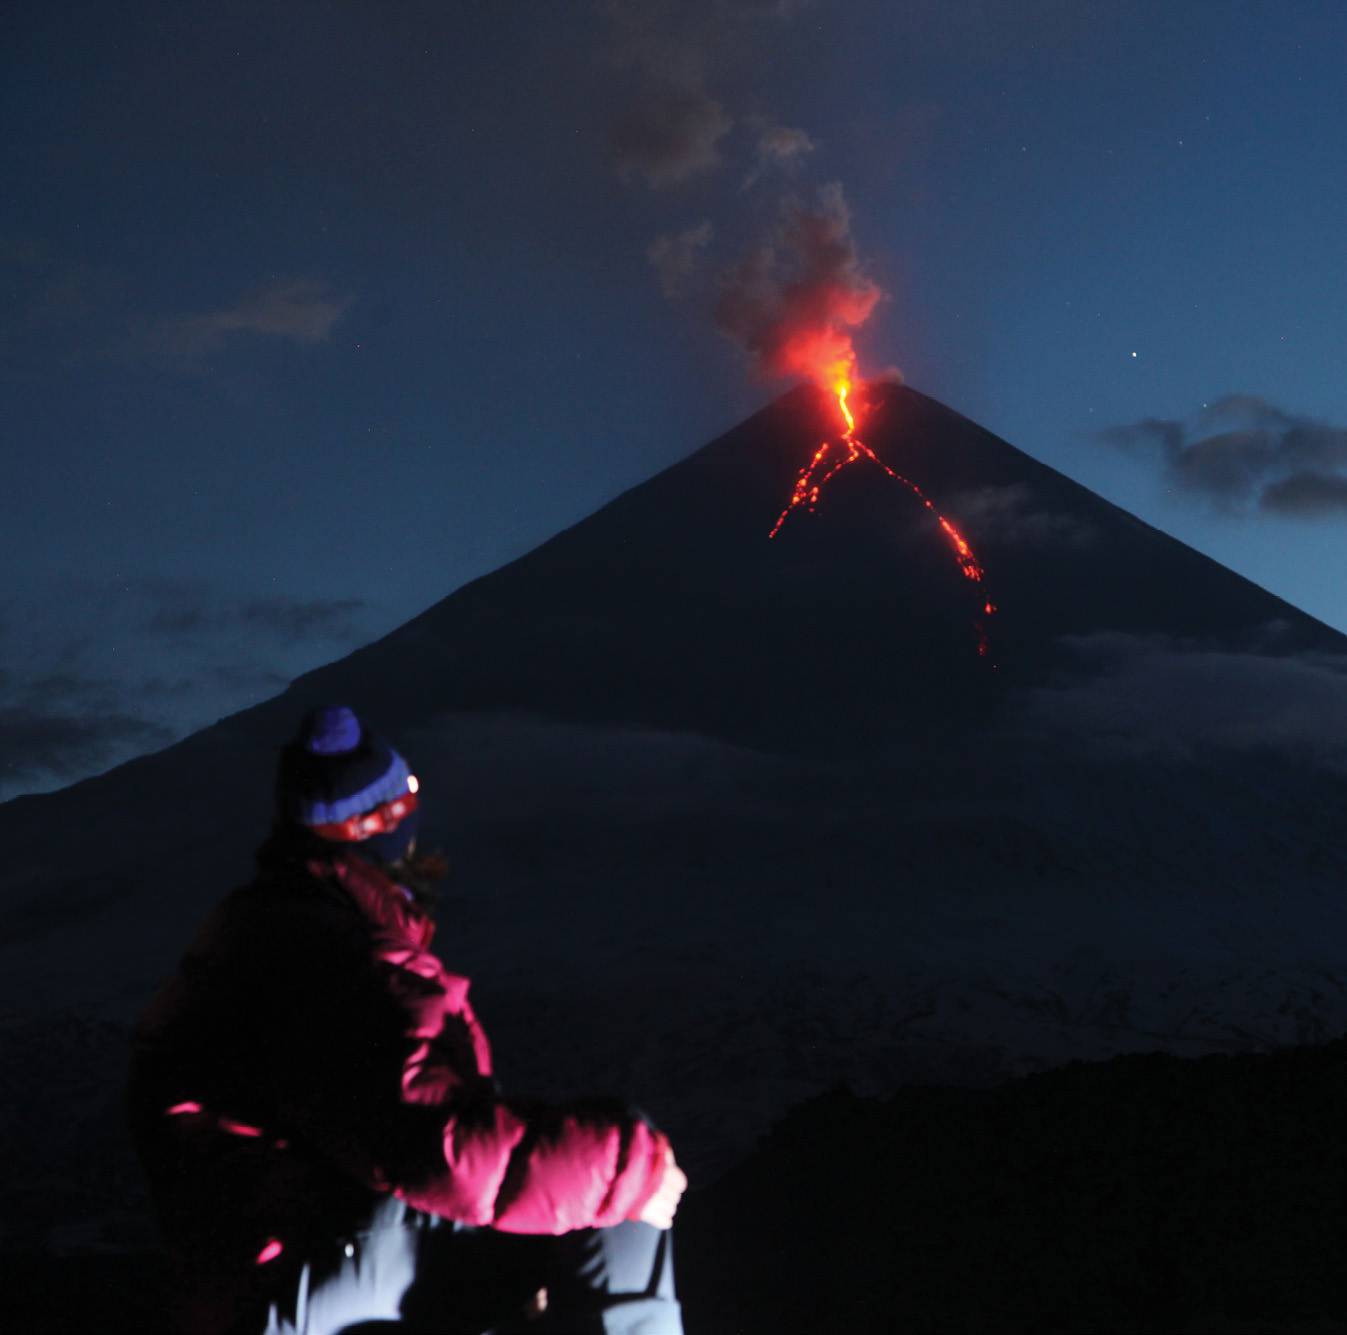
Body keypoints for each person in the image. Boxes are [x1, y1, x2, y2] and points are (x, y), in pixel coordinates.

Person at [127, 705, 686, 1334]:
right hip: (297, 1283)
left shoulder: (267, 928)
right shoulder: (327, 956)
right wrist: (627, 1176)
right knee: (619, 1168)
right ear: (377, 824)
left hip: (263, 1269)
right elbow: (426, 1140)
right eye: (406, 800)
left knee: (553, 1199)